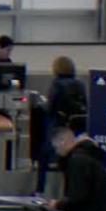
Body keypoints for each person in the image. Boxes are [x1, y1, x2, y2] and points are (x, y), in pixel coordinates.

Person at [39, 56, 88, 192]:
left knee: (44, 154)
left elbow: (50, 108)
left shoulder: (57, 84)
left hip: (59, 126)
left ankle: (40, 188)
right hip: (76, 127)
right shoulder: (80, 84)